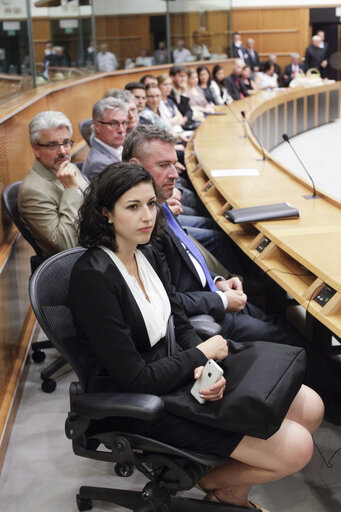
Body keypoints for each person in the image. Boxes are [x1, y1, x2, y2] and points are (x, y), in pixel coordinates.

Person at [70, 162, 324, 510]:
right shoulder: (93, 277)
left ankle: (230, 493)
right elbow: (135, 377)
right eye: (133, 207)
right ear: (105, 213)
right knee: (298, 447)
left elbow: (178, 318)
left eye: (150, 204)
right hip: (141, 401)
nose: (147, 216)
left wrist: (209, 370)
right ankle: (215, 483)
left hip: (177, 369)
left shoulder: (146, 250)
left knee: (310, 405)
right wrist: (200, 356)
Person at [122, 125, 307, 346]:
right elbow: (166, 300)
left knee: (282, 322)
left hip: (211, 295)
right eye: (164, 165)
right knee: (293, 342)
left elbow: (186, 257)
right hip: (202, 318)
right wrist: (220, 300)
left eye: (173, 163)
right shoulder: (141, 226)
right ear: (136, 167)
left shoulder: (157, 204)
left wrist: (218, 282)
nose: (175, 173)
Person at [18, 111, 88, 257]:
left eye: (66, 142)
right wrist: (71, 191)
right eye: (52, 145)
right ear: (36, 149)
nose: (63, 151)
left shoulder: (69, 166)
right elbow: (67, 245)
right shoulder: (32, 192)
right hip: (76, 263)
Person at [82, 98, 127, 182]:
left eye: (124, 123)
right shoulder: (99, 164)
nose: (121, 130)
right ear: (97, 126)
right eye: (114, 123)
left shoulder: (119, 147)